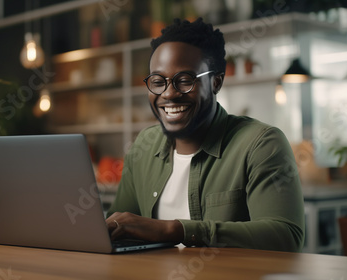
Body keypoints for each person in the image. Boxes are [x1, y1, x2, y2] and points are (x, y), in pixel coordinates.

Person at [105, 18, 305, 252]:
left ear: (216, 82)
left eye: (185, 80)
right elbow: (118, 228)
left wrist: (175, 230)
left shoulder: (261, 144)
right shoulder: (145, 144)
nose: (169, 94)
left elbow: (286, 237)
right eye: (158, 82)